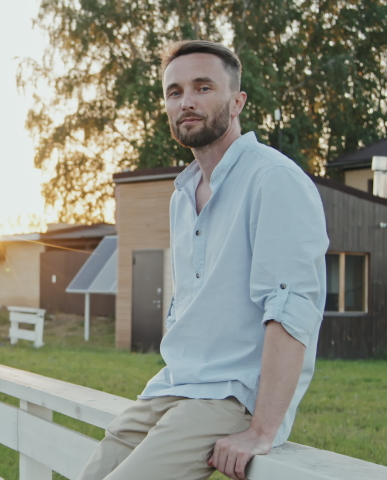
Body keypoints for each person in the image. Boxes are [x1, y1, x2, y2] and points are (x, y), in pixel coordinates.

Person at [77, 40, 328, 480]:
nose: (186, 102)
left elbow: (291, 310)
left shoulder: (274, 180)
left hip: (228, 396)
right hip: (173, 385)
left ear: (237, 102)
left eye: (202, 87)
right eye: (174, 92)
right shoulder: (182, 194)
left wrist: (262, 430)